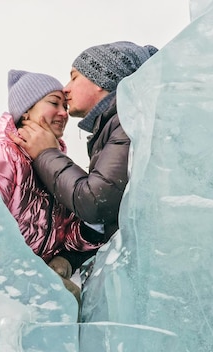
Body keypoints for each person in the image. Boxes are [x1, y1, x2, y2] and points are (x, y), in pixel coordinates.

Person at [10, 41, 159, 280]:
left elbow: (97, 202)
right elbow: (106, 223)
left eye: (74, 77)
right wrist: (71, 258)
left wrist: (47, 153)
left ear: (102, 79)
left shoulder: (127, 121)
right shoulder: (113, 127)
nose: (66, 89)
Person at [0, 69, 108, 303]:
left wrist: (68, 255)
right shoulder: (2, 155)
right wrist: (33, 278)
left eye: (65, 107)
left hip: (31, 291)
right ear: (25, 112)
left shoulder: (53, 164)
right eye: (54, 103)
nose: (64, 113)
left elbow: (72, 232)